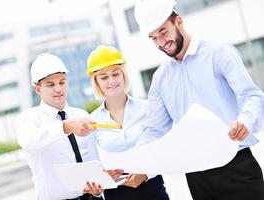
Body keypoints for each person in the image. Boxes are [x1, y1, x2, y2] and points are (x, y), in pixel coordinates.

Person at [133, 0, 264, 199]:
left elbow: (251, 95)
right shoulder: (160, 79)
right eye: (153, 38)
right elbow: (154, 130)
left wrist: (245, 120)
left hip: (237, 167)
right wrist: (132, 163)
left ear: (179, 21)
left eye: (163, 32)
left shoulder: (218, 53)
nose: (160, 42)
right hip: (197, 176)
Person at [83, 45, 170, 200]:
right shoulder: (92, 122)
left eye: (116, 74)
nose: (111, 81)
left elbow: (163, 150)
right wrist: (99, 183)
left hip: (153, 190)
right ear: (96, 82)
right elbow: (93, 163)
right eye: (104, 77)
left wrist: (145, 174)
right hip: (116, 194)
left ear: (123, 75)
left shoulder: (148, 108)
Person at [15, 53, 102, 200]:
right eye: (51, 84)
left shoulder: (80, 114)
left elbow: (93, 157)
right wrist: (65, 127)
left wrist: (99, 188)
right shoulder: (29, 118)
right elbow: (29, 141)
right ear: (38, 89)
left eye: (62, 82)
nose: (58, 89)